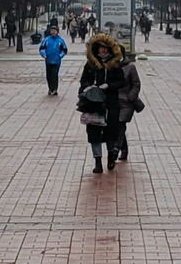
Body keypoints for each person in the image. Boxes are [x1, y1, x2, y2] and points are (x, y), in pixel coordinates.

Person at [77, 32, 142, 171]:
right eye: (100, 48)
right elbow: (83, 80)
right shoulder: (91, 65)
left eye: (105, 48)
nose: (103, 50)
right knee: (94, 132)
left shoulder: (114, 65)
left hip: (111, 102)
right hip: (93, 102)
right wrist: (89, 87)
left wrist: (109, 86)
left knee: (111, 131)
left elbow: (122, 81)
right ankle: (97, 162)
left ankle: (111, 157)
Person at [39, 25, 69, 95]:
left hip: (56, 61)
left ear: (57, 32)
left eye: (54, 31)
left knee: (55, 75)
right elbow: (42, 48)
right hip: (48, 60)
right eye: (52, 31)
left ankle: (55, 89)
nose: (53, 32)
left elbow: (64, 50)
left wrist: (60, 56)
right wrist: (43, 54)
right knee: (49, 75)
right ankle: (50, 88)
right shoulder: (46, 40)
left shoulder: (60, 40)